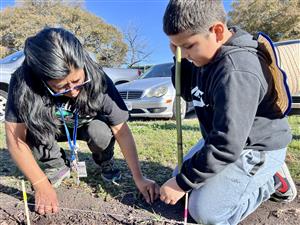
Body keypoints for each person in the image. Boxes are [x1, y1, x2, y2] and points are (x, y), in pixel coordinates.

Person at [160, 1, 297, 224]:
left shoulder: (236, 70)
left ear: (217, 31)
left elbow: (226, 145)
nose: (183, 54)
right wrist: (181, 60)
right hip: (226, 138)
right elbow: (189, 93)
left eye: (188, 46)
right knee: (180, 175)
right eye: (177, 47)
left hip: (255, 146)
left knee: (204, 212)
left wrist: (183, 183)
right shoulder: (204, 54)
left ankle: (272, 180)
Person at [5, 27, 159, 215]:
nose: (73, 91)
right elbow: (15, 139)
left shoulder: (98, 78)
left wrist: (139, 177)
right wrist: (40, 185)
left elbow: (121, 130)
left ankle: (105, 161)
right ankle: (57, 165)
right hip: (49, 130)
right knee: (32, 131)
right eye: (61, 87)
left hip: (86, 126)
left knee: (100, 131)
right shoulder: (23, 83)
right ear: (42, 79)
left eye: (78, 81)